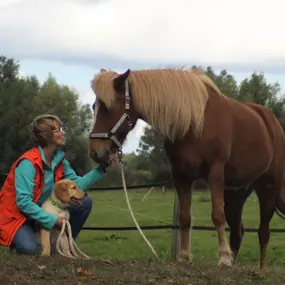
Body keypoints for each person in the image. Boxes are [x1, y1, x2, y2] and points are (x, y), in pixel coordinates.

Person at [0, 114, 113, 255]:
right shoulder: (27, 164)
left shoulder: (60, 161)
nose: (63, 132)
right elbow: (23, 203)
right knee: (30, 249)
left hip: (41, 213)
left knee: (85, 203)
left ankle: (62, 247)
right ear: (46, 135)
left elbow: (77, 185)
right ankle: (21, 246)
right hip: (18, 218)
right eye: (58, 129)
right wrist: (52, 220)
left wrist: (101, 167)